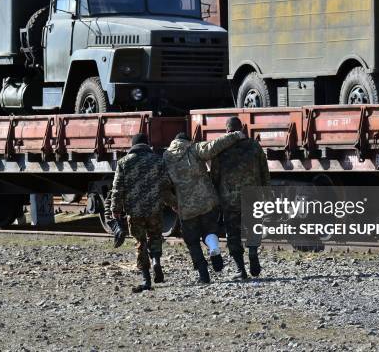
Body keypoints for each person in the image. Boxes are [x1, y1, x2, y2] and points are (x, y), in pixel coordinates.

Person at [163, 130, 245, 284]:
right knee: (210, 230)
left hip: (186, 208)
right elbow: (214, 145)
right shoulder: (194, 149)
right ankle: (214, 248)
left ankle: (203, 275)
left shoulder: (166, 158)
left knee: (192, 241)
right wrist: (235, 135)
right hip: (208, 202)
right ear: (188, 141)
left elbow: (164, 188)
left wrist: (175, 204)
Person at [110, 133, 175, 293]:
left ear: (133, 146)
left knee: (140, 243)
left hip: (135, 211)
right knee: (155, 237)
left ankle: (146, 279)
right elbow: (166, 186)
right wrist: (174, 204)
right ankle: (156, 261)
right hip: (154, 209)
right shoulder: (158, 161)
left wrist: (115, 209)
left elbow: (118, 188)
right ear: (147, 145)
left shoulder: (123, 163)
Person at [211, 117, 270, 280]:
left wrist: (216, 197)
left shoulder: (221, 149)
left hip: (230, 199)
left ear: (226, 130)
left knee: (233, 233)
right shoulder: (254, 146)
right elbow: (264, 171)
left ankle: (240, 270)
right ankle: (252, 251)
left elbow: (215, 175)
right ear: (242, 128)